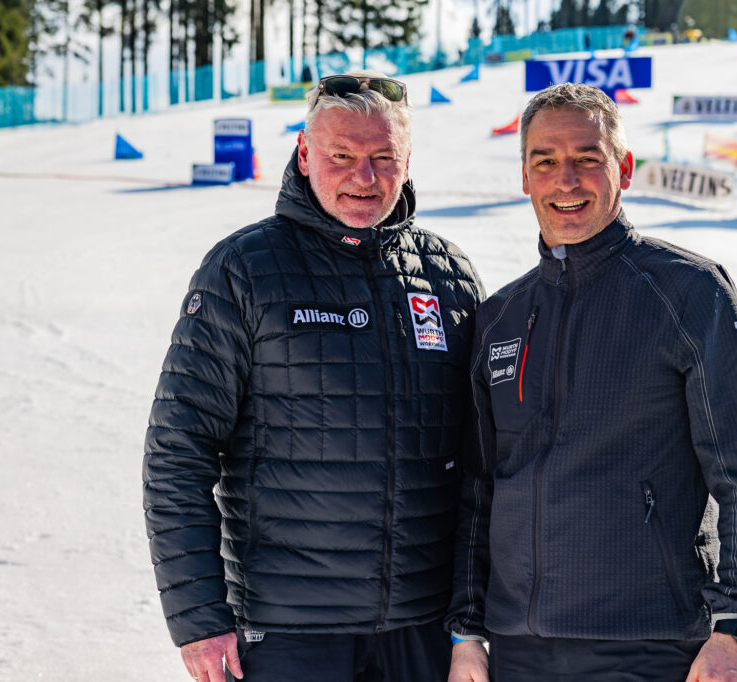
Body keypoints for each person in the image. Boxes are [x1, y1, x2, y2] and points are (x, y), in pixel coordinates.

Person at [143, 71, 484, 682]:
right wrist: (198, 616)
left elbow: (481, 464)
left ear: (407, 161)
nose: (364, 176)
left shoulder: (448, 277)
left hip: (423, 630)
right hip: (287, 633)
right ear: (304, 153)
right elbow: (179, 451)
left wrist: (472, 622)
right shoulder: (244, 269)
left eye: (384, 157)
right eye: (342, 156)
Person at [445, 83, 737, 682]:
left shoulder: (687, 293)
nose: (565, 179)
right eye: (545, 161)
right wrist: (468, 631)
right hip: (519, 648)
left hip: (648, 644)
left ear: (623, 168)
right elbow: (479, 491)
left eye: (587, 158)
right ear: (525, 177)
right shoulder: (500, 317)